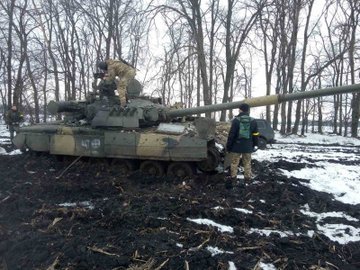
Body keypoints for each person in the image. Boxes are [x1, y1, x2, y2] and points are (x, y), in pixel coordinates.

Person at [225, 103, 259, 189]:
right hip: (248, 147)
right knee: (247, 163)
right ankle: (247, 180)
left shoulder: (236, 120)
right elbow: (256, 134)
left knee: (234, 163)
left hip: (236, 147)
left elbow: (231, 135)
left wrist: (228, 146)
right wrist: (255, 144)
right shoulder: (253, 121)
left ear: (241, 110)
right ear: (248, 110)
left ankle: (233, 179)